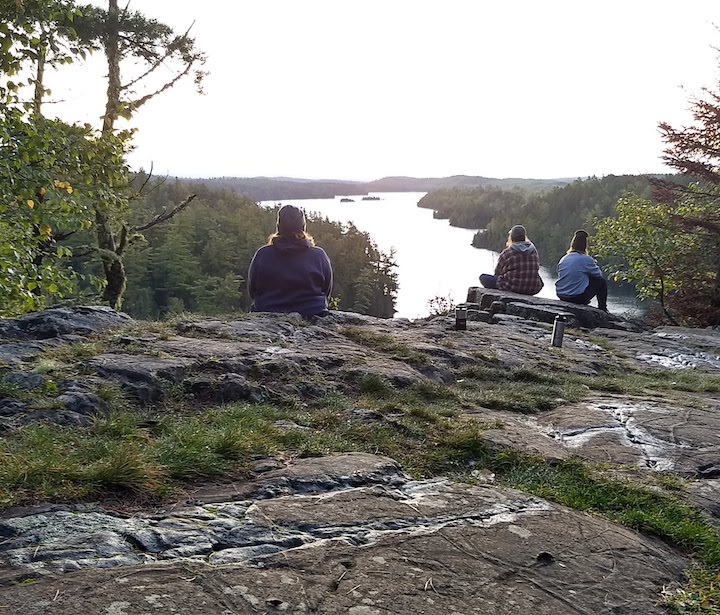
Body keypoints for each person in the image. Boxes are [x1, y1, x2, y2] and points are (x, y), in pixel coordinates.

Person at [247, 205, 333, 317]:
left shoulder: (263, 254)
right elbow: (326, 290)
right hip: (312, 313)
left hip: (268, 312)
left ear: (278, 227)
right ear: (303, 227)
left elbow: (252, 289)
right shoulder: (319, 255)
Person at [479, 224, 544, 295]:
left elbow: (497, 272)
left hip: (512, 287)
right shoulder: (533, 251)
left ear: (511, 237)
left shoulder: (507, 252)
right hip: (532, 288)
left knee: (483, 277)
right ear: (524, 237)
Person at [555, 229, 609, 312]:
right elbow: (598, 275)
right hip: (576, 298)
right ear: (584, 246)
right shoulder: (585, 259)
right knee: (601, 282)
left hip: (561, 295)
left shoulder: (564, 258)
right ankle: (602, 308)